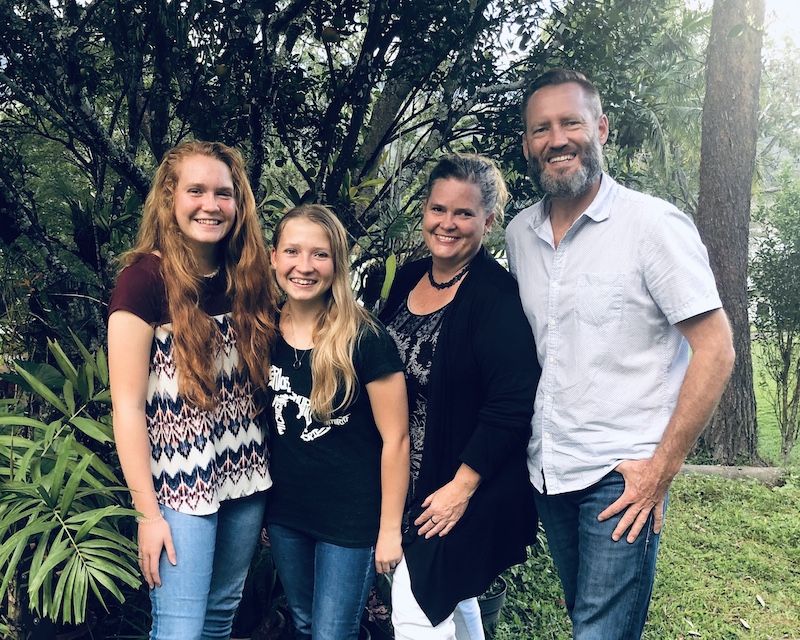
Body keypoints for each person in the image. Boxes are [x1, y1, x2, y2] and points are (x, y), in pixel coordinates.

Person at [505, 68, 736, 639]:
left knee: (599, 633)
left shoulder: (651, 225)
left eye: (571, 123)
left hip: (621, 472)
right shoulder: (518, 235)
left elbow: (716, 348)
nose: (556, 139)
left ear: (601, 129)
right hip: (548, 469)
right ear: (529, 144)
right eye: (541, 129)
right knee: (588, 620)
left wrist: (662, 468)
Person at [108, 140, 279, 640]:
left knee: (219, 619)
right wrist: (147, 512)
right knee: (181, 630)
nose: (211, 204)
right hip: (179, 487)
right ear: (170, 198)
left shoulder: (246, 277)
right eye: (196, 190)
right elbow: (127, 406)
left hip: (244, 475)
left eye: (223, 193)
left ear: (238, 201)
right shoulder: (142, 281)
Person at [379, 153, 540, 640]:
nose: (447, 223)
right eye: (438, 209)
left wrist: (460, 490)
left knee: (417, 606)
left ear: (488, 222)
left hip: (459, 483)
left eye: (464, 213)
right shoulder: (409, 277)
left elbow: (512, 406)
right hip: (404, 475)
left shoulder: (495, 297)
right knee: (452, 596)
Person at [264, 205, 409, 640]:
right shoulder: (264, 330)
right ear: (273, 257)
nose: (304, 267)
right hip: (287, 513)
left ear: (337, 263)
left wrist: (388, 530)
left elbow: (397, 439)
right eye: (292, 251)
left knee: (332, 633)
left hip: (350, 519)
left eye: (319, 255)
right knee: (306, 623)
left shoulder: (364, 338)